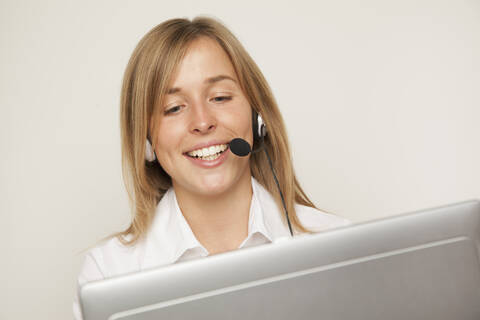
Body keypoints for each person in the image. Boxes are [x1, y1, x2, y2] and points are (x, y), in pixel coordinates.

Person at [73, 16, 350, 320]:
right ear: (147, 138)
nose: (203, 122)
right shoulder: (108, 274)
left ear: (257, 116)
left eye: (219, 97)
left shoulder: (340, 246)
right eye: (174, 108)